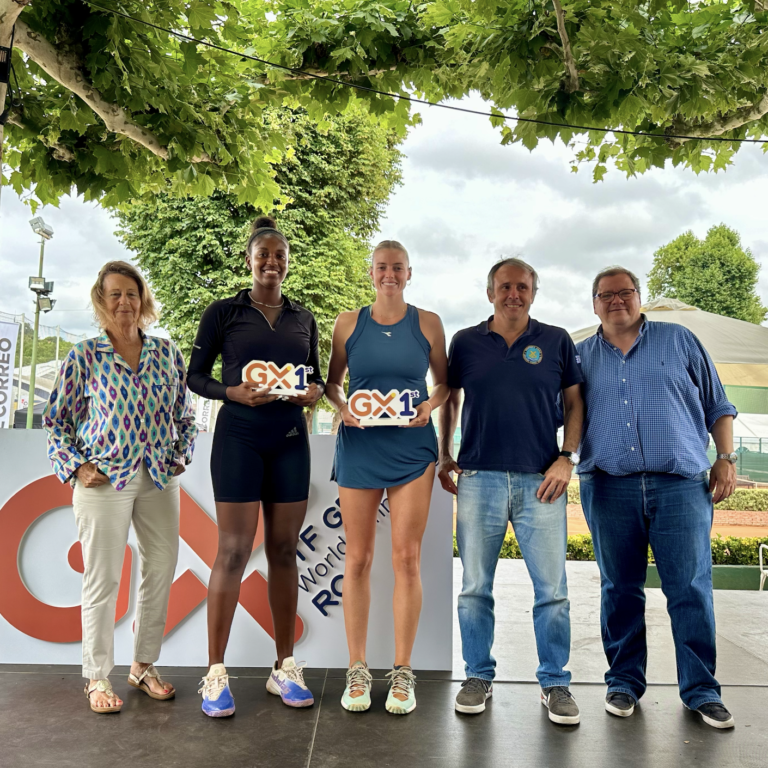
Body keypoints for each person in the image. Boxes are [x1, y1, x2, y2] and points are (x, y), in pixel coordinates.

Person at [576, 266, 738, 729]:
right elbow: (559, 414)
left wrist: (725, 457)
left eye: (625, 292)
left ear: (639, 296)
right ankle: (623, 683)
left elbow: (718, 404)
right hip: (608, 485)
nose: (617, 300)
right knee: (618, 589)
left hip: (681, 485)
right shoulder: (580, 356)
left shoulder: (679, 340)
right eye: (606, 294)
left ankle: (702, 690)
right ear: (594, 304)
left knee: (690, 589)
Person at [43, 261, 197, 714]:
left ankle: (143, 665)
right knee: (103, 578)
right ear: (101, 300)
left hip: (158, 478)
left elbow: (185, 415)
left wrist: (181, 453)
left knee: (160, 568)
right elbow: (56, 421)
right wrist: (76, 466)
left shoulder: (166, 352)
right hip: (104, 481)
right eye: (115, 294)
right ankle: (96, 677)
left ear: (142, 299)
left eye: (131, 293)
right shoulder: (84, 355)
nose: (124, 302)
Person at [438, 258, 584, 724]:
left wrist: (567, 457)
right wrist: (444, 452)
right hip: (478, 478)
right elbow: (450, 398)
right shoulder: (465, 341)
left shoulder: (556, 340)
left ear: (534, 293)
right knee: (475, 588)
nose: (513, 294)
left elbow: (575, 402)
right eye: (505, 287)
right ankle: (477, 676)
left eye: (522, 287)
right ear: (490, 293)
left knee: (553, 591)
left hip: (541, 480)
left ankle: (555, 682)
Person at [189, 216, 325, 717]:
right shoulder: (223, 312)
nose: (272, 262)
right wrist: (231, 392)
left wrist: (313, 393)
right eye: (263, 254)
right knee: (232, 551)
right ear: (249, 260)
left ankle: (284, 666)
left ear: (288, 264)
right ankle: (215, 674)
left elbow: (314, 377)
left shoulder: (304, 318)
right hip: (239, 439)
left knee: (285, 550)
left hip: (289, 439)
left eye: (279, 255)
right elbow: (195, 377)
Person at [325, 239, 448, 715]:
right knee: (357, 558)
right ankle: (357, 668)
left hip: (412, 449)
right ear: (371, 272)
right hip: (360, 446)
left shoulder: (429, 323)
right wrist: (343, 408)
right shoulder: (347, 322)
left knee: (406, 559)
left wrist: (429, 406)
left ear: (409, 273)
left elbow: (445, 383)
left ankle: (402, 671)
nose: (389, 274)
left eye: (398, 267)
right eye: (382, 267)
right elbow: (333, 384)